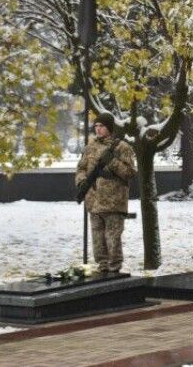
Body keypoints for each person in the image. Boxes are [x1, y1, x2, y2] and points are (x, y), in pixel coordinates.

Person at [75, 112, 137, 273]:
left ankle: (115, 268)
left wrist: (112, 161)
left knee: (112, 238)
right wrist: (81, 182)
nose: (98, 129)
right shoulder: (90, 147)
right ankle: (102, 268)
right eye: (96, 126)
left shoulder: (122, 147)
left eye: (101, 126)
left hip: (113, 201)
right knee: (97, 239)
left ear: (109, 127)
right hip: (94, 201)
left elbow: (130, 172)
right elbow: (81, 168)